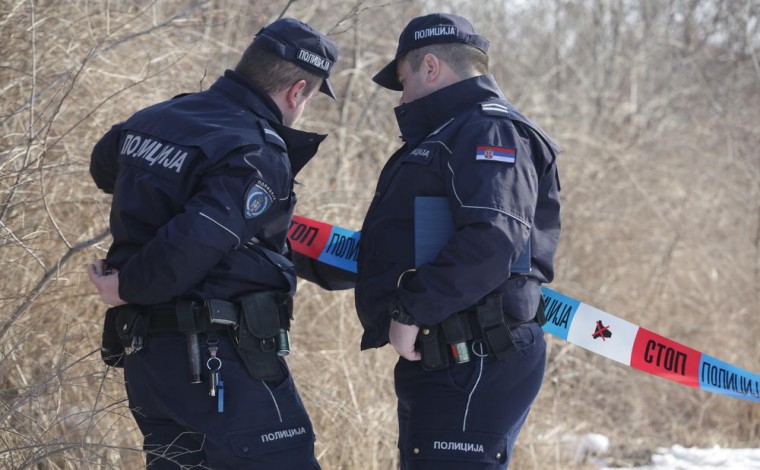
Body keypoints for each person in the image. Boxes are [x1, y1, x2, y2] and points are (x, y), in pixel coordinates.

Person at [87, 18, 338, 469]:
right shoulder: (256, 149)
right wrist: (127, 286)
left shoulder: (157, 117)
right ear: (298, 91)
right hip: (219, 357)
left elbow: (105, 167)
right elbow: (192, 242)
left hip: (151, 360)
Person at [357, 12, 561, 469]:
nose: (403, 96)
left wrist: (412, 309)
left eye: (404, 79)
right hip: (447, 355)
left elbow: (494, 238)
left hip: (475, 354)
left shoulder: (488, 129)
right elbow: (412, 240)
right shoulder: (450, 134)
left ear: (431, 67)